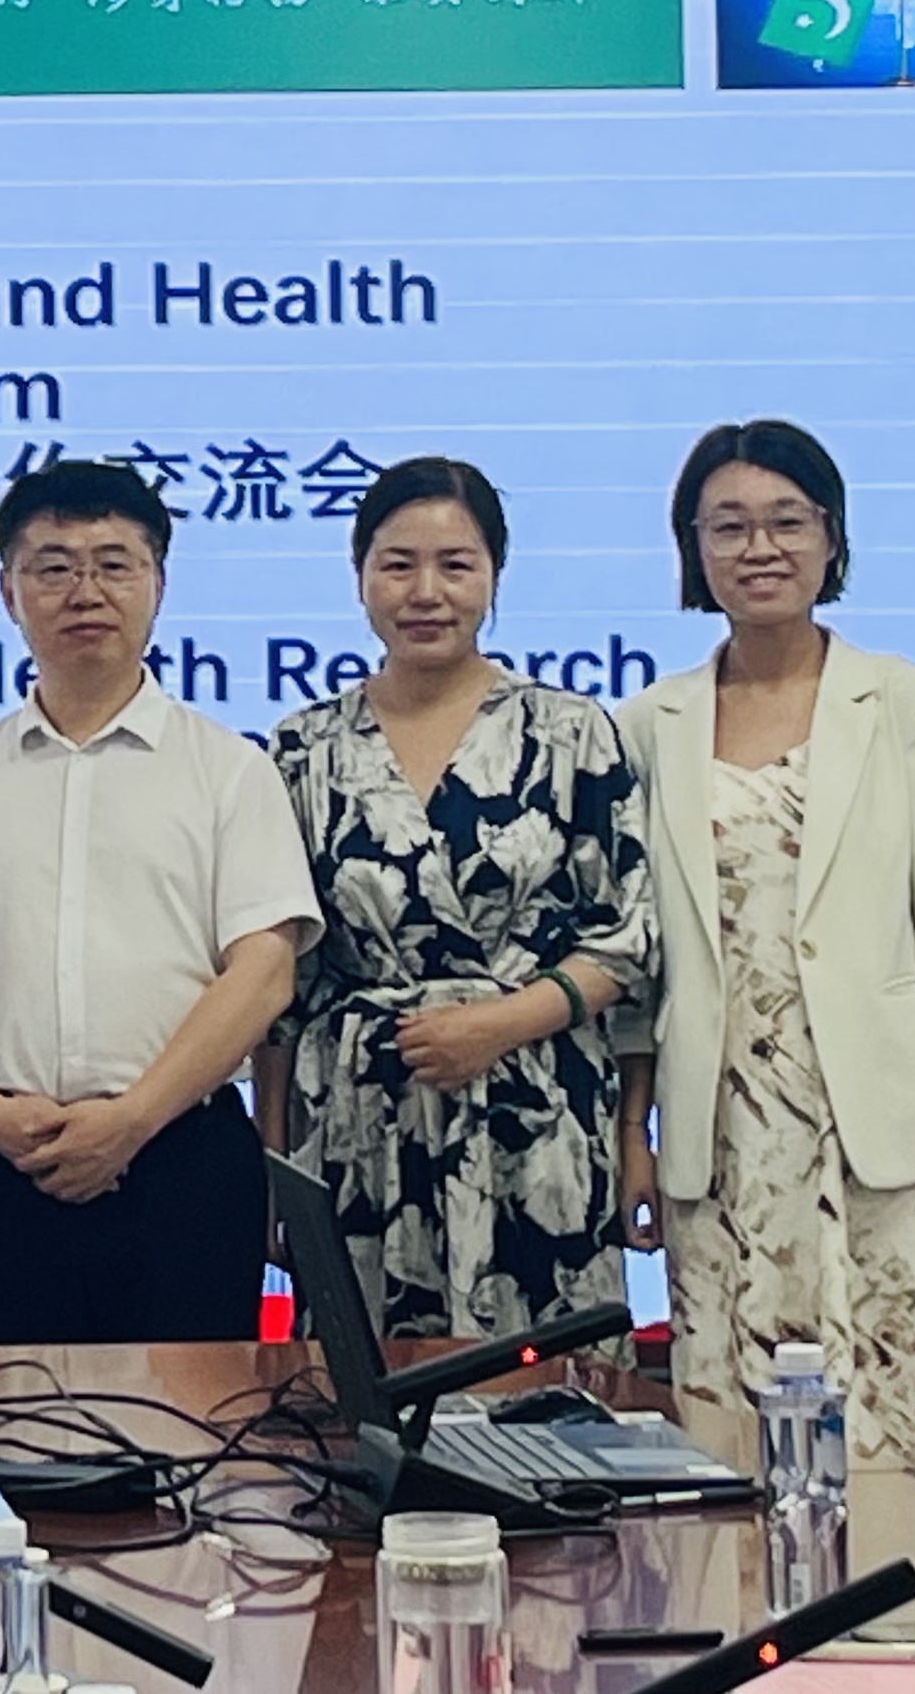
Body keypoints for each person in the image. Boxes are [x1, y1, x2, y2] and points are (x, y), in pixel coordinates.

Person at [614, 421, 915, 1467]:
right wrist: (631, 1128)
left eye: (787, 521)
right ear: (692, 547)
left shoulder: (904, 703)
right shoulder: (648, 722)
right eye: (728, 525)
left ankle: (906, 1580)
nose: (759, 548)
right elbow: (639, 963)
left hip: (871, 1118)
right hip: (719, 1129)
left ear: (831, 538)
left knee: (893, 1410)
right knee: (729, 1421)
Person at [0, 457, 318, 1344]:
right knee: (17, 1418)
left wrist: (131, 1120)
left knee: (198, 1419)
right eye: (52, 566)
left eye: (113, 564)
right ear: (7, 592)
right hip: (4, 1163)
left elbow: (263, 971)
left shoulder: (227, 771)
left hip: (182, 1160)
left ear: (158, 582)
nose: (84, 591)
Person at [258, 457, 655, 1340]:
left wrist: (497, 1025)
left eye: (455, 565)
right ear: (359, 576)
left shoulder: (571, 733)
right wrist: (271, 1163)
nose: (425, 592)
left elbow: (626, 937)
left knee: (550, 1391)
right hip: (356, 1126)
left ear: (493, 576)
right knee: (362, 1390)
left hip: (538, 1115)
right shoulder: (300, 751)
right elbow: (281, 987)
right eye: (397, 565)